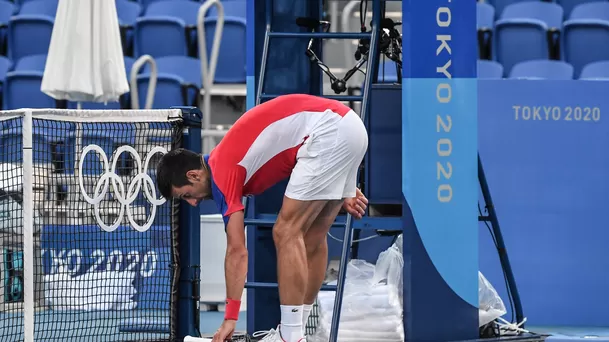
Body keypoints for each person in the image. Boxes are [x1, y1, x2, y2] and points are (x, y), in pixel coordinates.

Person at [156, 94, 369, 342]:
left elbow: (237, 252)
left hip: (329, 133)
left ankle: (289, 336)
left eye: (186, 196)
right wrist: (340, 180)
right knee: (312, 235)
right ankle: (302, 332)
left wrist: (230, 319)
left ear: (193, 176)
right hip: (348, 127)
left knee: (285, 231)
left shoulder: (223, 171)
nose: (192, 203)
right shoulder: (225, 159)